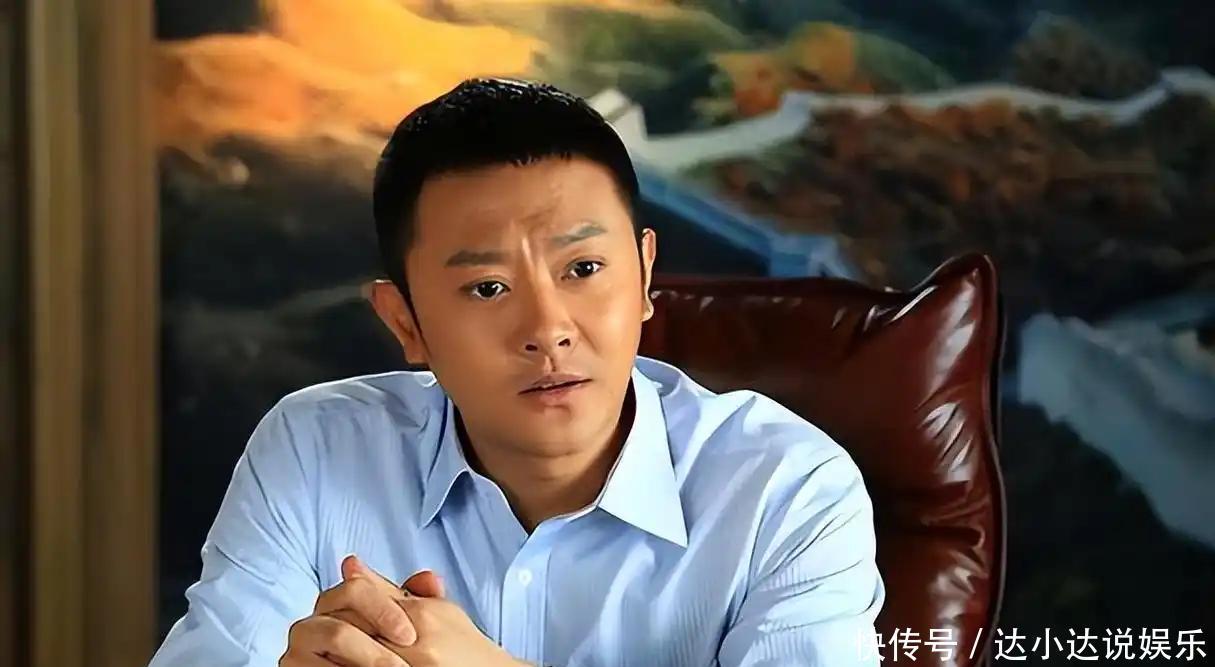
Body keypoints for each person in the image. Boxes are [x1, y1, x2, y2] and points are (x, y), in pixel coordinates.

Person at [149, 78, 884, 667]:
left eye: (584, 269)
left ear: (644, 273)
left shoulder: (785, 488)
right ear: (405, 323)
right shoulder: (316, 449)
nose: (547, 329)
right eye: (487, 288)